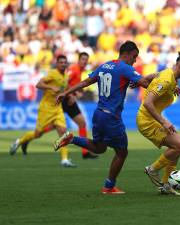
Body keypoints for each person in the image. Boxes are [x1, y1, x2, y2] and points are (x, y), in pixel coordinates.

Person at [53, 41, 155, 194]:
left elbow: (87, 81)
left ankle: (72, 139)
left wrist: (66, 93)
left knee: (100, 148)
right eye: (134, 56)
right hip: (112, 117)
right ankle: (109, 186)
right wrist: (163, 80)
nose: (135, 60)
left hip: (99, 114)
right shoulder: (125, 68)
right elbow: (145, 83)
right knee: (122, 152)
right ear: (126, 54)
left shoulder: (105, 65)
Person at [136, 48, 180, 196]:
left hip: (149, 119)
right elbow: (148, 102)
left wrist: (142, 81)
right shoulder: (167, 79)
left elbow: (152, 77)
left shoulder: (168, 77)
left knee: (179, 147)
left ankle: (166, 185)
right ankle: (153, 169)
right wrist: (164, 122)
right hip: (147, 121)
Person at [20, 52, 97, 159]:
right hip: (64, 100)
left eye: (86, 60)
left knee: (79, 123)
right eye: (83, 59)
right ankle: (82, 152)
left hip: (67, 99)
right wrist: (71, 95)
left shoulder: (79, 71)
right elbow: (65, 83)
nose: (85, 62)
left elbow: (69, 84)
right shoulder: (73, 70)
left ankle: (84, 152)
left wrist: (77, 93)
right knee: (76, 124)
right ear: (78, 60)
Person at [9, 55, 76, 168]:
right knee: (38, 134)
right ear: (57, 63)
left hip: (57, 109)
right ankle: (19, 141)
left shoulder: (65, 75)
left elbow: (65, 87)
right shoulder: (52, 73)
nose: (63, 64)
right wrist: (51, 88)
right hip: (46, 108)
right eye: (61, 62)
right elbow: (38, 84)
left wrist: (71, 95)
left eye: (65, 62)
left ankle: (64, 160)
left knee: (63, 132)